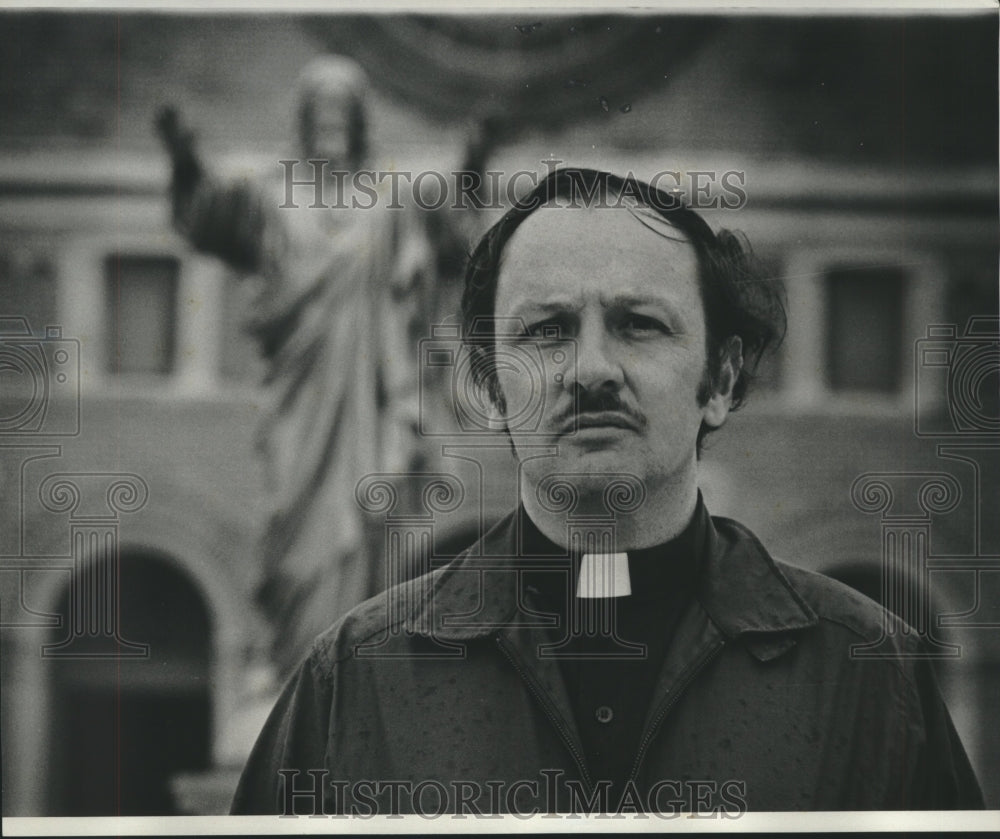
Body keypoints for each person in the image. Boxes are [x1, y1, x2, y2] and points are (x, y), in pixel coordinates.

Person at [231, 168, 984, 815]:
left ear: (720, 380)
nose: (591, 369)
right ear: (491, 389)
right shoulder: (354, 678)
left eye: (638, 324)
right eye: (548, 330)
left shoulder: (868, 674)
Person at [155, 56, 442, 671]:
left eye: (343, 111)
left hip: (367, 399)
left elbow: (412, 295)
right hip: (297, 395)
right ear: (305, 121)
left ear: (359, 120)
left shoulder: (390, 201)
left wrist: (412, 400)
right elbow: (206, 219)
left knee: (364, 526)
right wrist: (183, 157)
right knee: (292, 526)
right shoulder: (270, 191)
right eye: (321, 111)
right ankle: (293, 669)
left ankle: (346, 673)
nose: (331, 123)